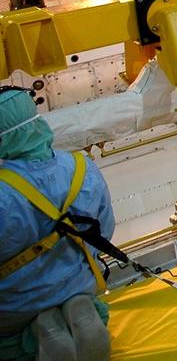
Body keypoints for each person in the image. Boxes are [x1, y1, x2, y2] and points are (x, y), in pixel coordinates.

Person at [0, 86, 114, 361]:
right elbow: (105, 229)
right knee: (76, 296)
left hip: (16, 304)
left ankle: (32, 337)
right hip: (80, 283)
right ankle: (82, 311)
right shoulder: (82, 167)